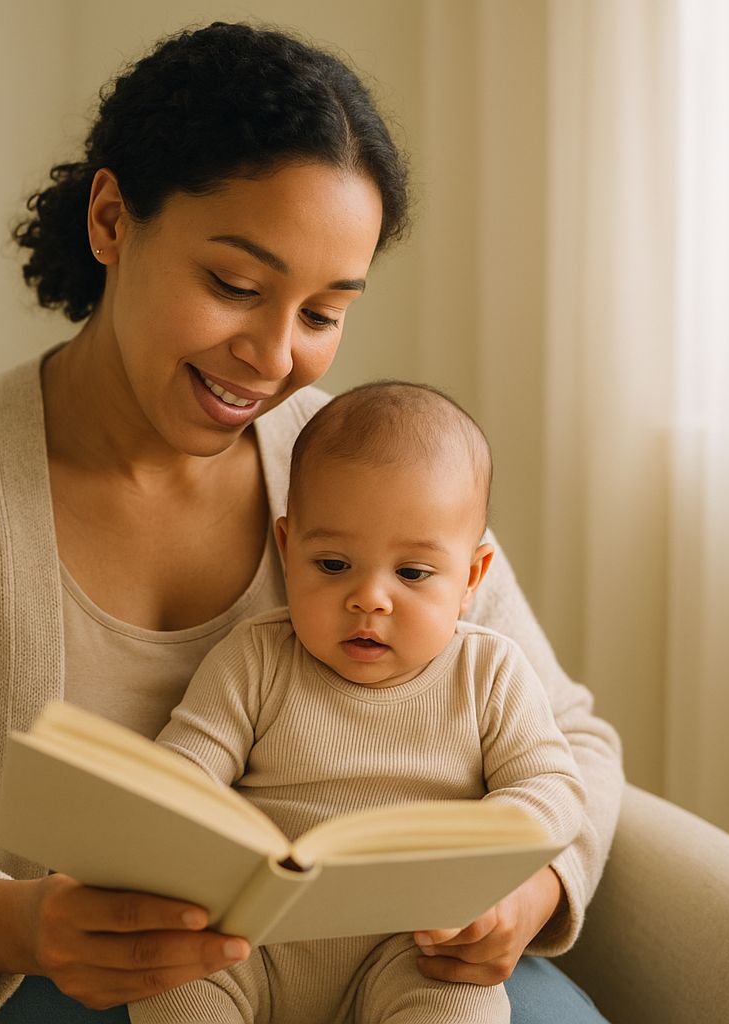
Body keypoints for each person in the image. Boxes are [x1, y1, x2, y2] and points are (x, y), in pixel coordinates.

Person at [0, 20, 621, 1024]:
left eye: (321, 312)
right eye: (235, 286)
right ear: (111, 220)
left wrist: (530, 889)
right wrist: (19, 921)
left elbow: (567, 737)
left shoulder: (356, 469)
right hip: (89, 991)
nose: (272, 356)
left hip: (396, 974)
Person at [130, 381, 586, 1024]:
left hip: (414, 945)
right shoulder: (257, 657)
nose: (369, 598)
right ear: (288, 550)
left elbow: (554, 785)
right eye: (335, 564)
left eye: (412, 573)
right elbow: (185, 765)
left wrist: (492, 851)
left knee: (465, 1008)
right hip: (251, 937)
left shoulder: (490, 671)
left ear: (472, 579)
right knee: (171, 985)